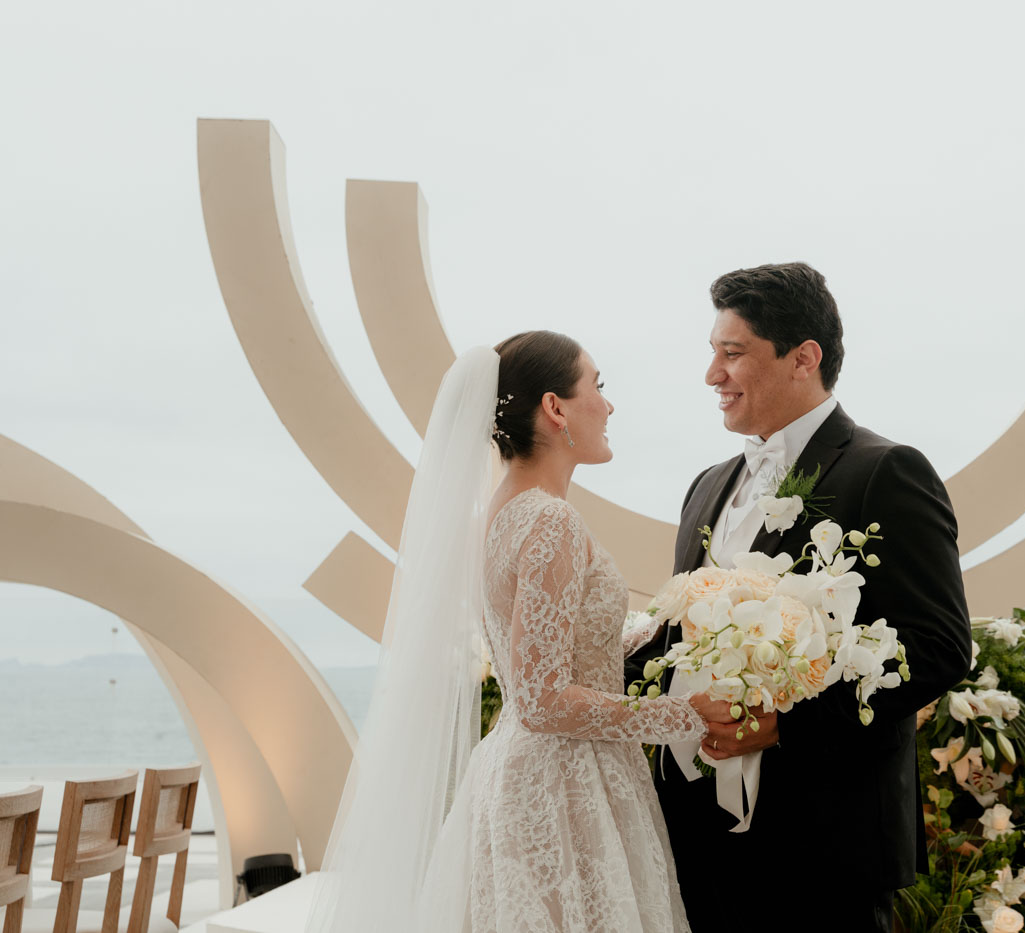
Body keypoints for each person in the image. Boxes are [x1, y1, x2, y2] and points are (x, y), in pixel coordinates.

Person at [306, 332, 732, 933]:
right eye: (597, 387)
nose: (608, 405)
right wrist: (685, 715)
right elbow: (543, 700)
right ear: (556, 408)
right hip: (566, 784)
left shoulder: (502, 512)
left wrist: (652, 630)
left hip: (522, 771)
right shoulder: (552, 521)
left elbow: (545, 656)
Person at [624, 262, 974, 933]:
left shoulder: (886, 471)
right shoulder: (706, 485)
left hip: (824, 840)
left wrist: (783, 725)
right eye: (713, 353)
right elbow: (675, 642)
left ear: (803, 358)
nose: (713, 375)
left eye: (733, 353)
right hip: (694, 833)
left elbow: (938, 648)